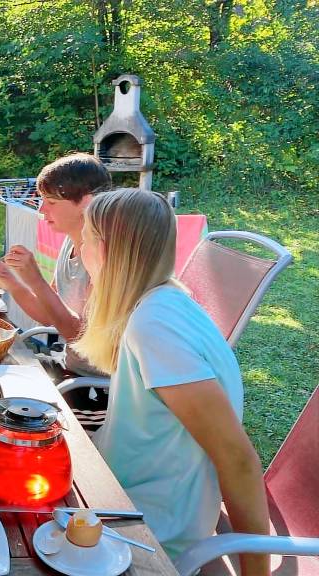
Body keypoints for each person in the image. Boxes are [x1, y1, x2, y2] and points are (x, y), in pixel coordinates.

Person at [74, 189, 269, 573]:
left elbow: (238, 460)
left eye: (84, 241)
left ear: (106, 250)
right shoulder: (163, 302)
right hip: (117, 496)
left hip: (148, 533)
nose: (80, 252)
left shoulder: (155, 326)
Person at [0, 153, 111, 376]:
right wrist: (11, 281)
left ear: (86, 203)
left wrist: (35, 280)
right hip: (68, 365)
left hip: (91, 381)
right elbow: (48, 314)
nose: (41, 211)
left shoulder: (104, 256)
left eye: (51, 202)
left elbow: (81, 338)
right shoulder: (71, 241)